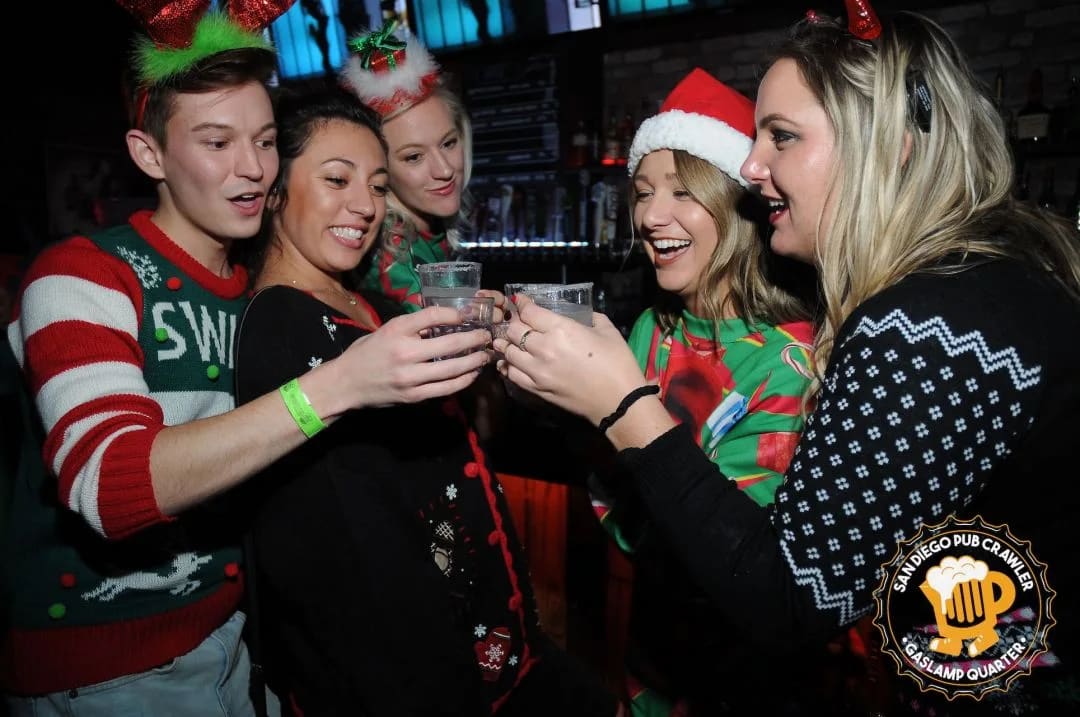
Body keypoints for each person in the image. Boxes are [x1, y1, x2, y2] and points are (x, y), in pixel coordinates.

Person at [494, 5, 1080, 716]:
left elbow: (790, 600)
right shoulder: (989, 279)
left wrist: (623, 407)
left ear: (889, 145)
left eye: (783, 136)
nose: (751, 166)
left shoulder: (928, 323)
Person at [233, 82, 618, 716]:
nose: (365, 205)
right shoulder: (281, 323)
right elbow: (344, 554)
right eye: (337, 179)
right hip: (417, 676)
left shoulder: (371, 306)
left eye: (378, 186)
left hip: (489, 647)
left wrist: (489, 349)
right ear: (275, 190)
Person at [588, 68, 816, 716]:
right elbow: (611, 502)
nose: (650, 216)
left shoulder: (787, 359)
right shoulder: (651, 329)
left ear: (738, 206)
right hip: (650, 659)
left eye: (683, 191)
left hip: (742, 680)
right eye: (642, 193)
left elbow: (738, 564)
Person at [343, 23, 477, 313]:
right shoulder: (392, 254)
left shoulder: (426, 231)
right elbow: (448, 329)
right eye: (414, 157)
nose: (444, 169)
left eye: (448, 143)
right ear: (379, 170)